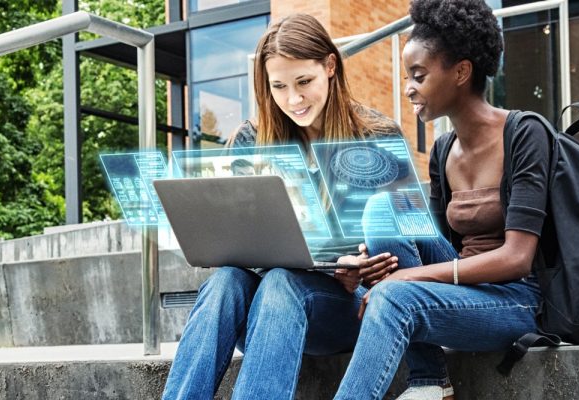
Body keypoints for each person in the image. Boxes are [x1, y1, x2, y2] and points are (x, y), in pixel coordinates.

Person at [162, 13, 402, 399]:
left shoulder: (377, 137)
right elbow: (238, 243)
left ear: (330, 65)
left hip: (344, 307)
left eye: (304, 81)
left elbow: (403, 248)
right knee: (225, 281)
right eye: (279, 86)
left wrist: (364, 263)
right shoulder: (251, 140)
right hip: (266, 313)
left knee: (280, 282)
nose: (294, 99)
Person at [334, 0, 551, 399]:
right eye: (406, 76)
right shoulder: (443, 149)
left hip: (518, 298)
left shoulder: (524, 134)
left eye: (418, 75)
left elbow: (517, 257)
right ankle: (432, 379)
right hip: (465, 281)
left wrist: (404, 280)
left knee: (395, 295)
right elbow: (432, 246)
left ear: (461, 72)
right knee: (384, 208)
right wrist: (370, 268)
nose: (409, 88)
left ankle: (430, 381)